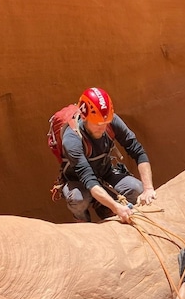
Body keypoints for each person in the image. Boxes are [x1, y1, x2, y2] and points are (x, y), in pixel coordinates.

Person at [60, 87, 156, 223]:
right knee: (78, 199)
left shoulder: (111, 121)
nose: (103, 127)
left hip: (105, 173)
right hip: (78, 181)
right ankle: (82, 223)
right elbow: (89, 180)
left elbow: (137, 151)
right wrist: (117, 208)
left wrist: (148, 188)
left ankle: (104, 207)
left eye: (106, 123)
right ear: (84, 117)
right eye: (98, 123)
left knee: (137, 188)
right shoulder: (72, 139)